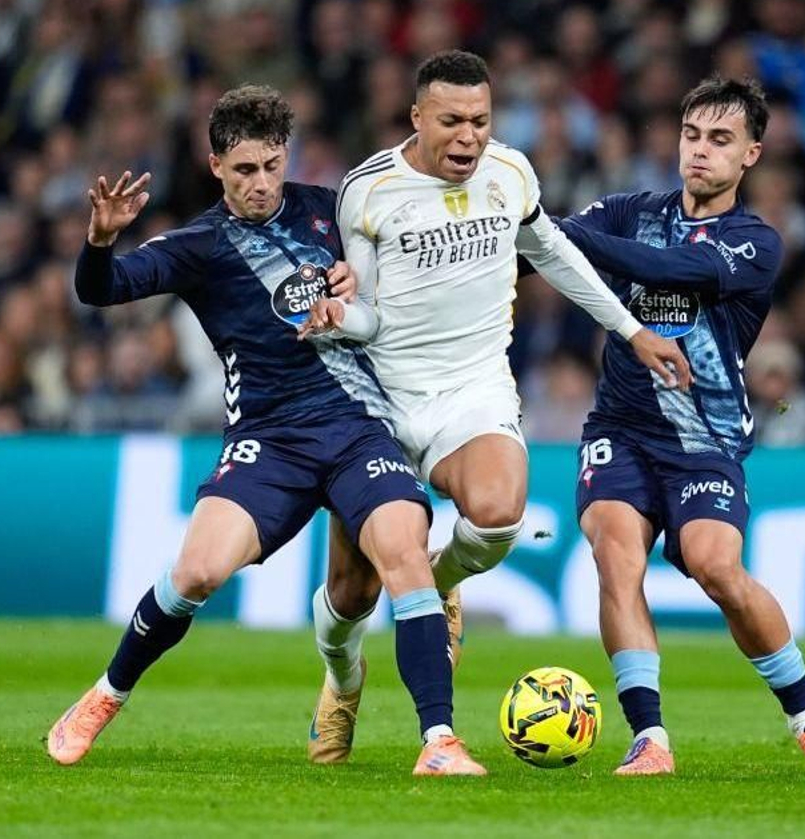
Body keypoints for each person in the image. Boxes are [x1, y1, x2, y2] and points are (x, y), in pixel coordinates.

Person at [46, 85, 486, 777]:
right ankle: (104, 696)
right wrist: (100, 241)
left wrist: (360, 284)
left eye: (272, 166)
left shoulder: (330, 211)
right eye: (245, 169)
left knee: (404, 557)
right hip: (268, 439)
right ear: (216, 164)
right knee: (196, 573)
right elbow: (101, 291)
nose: (261, 183)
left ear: (289, 158)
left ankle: (439, 742)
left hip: (356, 426)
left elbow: (400, 276)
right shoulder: (197, 245)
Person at [295, 50, 690, 765]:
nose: (468, 137)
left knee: (501, 513)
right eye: (451, 121)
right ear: (417, 118)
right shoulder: (367, 190)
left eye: (480, 120)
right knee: (351, 592)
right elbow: (371, 315)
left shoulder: (511, 174)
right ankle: (341, 678)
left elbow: (557, 253)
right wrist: (335, 317)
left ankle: (437, 585)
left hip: (473, 386)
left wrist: (632, 332)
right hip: (379, 398)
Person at [550, 76, 805, 777]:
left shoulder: (756, 242)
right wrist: (544, 232)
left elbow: (666, 267)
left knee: (719, 568)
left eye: (720, 140)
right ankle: (649, 738)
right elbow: (555, 249)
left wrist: (554, 231)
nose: (700, 152)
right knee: (615, 556)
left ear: (751, 154)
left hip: (705, 439)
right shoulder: (631, 208)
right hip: (621, 427)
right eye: (692, 136)